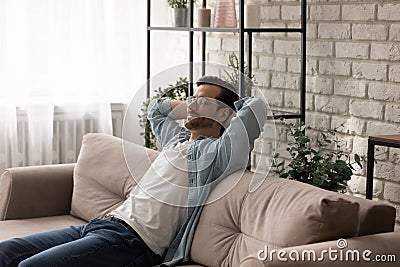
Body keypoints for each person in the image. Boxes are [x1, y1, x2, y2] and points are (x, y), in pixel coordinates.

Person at [0, 76, 267, 267]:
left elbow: (256, 107)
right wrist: (194, 104)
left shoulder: (219, 155)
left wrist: (228, 111)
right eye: (191, 99)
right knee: (6, 251)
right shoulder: (176, 143)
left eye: (202, 102)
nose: (192, 105)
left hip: (134, 241)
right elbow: (156, 109)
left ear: (225, 114)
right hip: (101, 224)